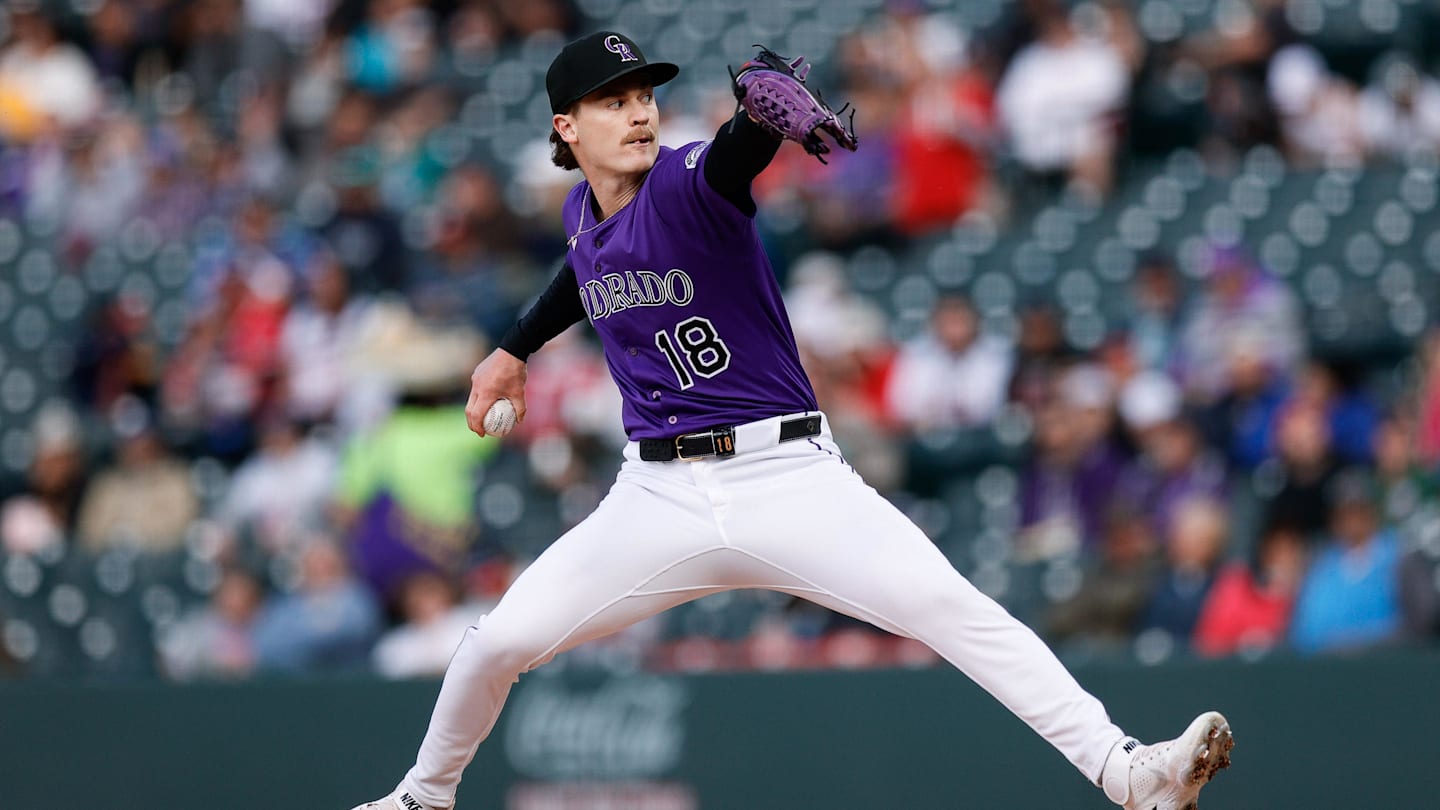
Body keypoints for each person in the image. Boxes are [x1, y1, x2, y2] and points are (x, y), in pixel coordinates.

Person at [351, 32, 1232, 810]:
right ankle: (424, 799)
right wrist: (513, 348)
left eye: (645, 96)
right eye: (611, 101)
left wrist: (759, 116)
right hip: (655, 492)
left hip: (787, 477)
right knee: (496, 641)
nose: (638, 113)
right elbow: (580, 274)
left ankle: (1128, 773)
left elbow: (733, 154)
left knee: (948, 607)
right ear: (565, 129)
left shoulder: (691, 180)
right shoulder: (583, 211)